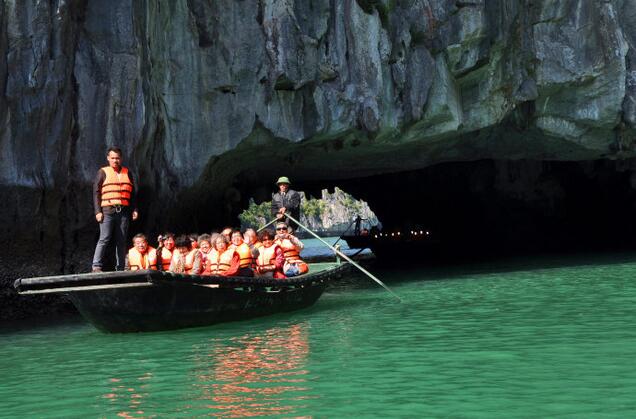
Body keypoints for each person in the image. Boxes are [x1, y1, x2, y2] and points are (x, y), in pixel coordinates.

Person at [91, 147, 138, 272]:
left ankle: (120, 267)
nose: (115, 160)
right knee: (104, 237)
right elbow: (96, 192)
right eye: (112, 158)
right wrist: (97, 211)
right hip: (107, 210)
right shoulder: (102, 172)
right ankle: (96, 266)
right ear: (108, 158)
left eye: (117, 158)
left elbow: (132, 193)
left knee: (121, 240)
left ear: (121, 159)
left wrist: (135, 209)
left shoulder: (127, 173)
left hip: (123, 211)